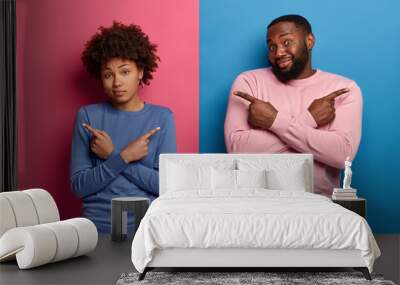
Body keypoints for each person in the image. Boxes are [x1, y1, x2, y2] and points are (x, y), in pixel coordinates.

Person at [224, 15, 362, 197]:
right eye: (272, 47)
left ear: (309, 41)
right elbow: (238, 150)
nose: (278, 52)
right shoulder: (249, 82)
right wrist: (309, 120)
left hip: (319, 204)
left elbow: (343, 155)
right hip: (255, 201)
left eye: (286, 42)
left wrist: (273, 122)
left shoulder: (343, 89)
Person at [70, 22, 177, 233]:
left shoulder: (162, 117)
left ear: (140, 72)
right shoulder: (88, 117)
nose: (117, 82)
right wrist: (125, 156)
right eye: (108, 74)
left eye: (125, 72)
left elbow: (166, 186)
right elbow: (79, 187)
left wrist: (113, 154)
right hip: (96, 230)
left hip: (147, 230)